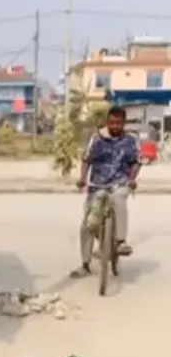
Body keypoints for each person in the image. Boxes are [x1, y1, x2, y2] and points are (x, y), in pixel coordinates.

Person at [72, 106, 141, 277]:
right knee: (87, 225)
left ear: (123, 123)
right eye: (112, 122)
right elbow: (86, 160)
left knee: (120, 199)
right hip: (97, 185)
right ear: (107, 122)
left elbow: (136, 162)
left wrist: (132, 179)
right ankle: (85, 264)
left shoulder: (130, 140)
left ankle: (120, 241)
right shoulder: (96, 138)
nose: (115, 126)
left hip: (119, 183)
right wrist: (82, 179)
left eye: (119, 123)